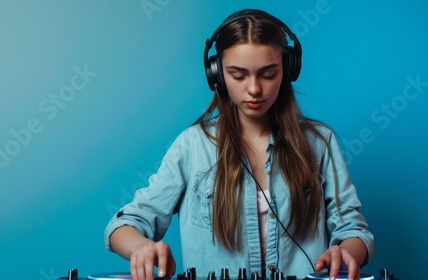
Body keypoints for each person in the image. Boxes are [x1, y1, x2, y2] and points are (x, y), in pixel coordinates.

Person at [104, 9, 374, 280]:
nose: (254, 89)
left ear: (289, 70)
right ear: (217, 74)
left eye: (268, 74)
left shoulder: (320, 143)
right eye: (238, 75)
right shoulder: (192, 145)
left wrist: (346, 252)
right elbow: (124, 224)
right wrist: (140, 247)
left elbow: (353, 231)